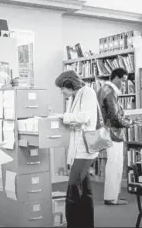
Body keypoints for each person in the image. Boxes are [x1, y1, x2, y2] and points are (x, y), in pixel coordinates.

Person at [55, 70, 98, 228]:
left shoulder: (87, 92)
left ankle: (73, 224)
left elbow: (84, 117)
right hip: (79, 147)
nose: (62, 91)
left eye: (62, 87)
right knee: (85, 191)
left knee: (73, 188)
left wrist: (63, 117)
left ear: (69, 83)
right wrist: (65, 117)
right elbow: (75, 118)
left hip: (85, 149)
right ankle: (86, 224)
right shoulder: (74, 96)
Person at [97, 67, 135, 205]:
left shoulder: (104, 90)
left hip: (107, 131)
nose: (124, 85)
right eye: (123, 81)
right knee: (115, 164)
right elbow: (115, 118)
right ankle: (112, 198)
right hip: (113, 133)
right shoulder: (110, 92)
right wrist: (129, 123)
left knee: (112, 164)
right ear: (116, 78)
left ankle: (111, 196)